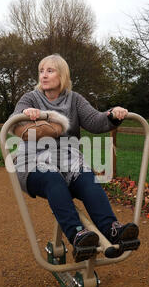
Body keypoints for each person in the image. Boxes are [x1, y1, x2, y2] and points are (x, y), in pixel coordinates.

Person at [10, 54, 139, 262]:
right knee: (52, 178)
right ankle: (78, 235)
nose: (44, 75)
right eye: (41, 71)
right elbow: (14, 122)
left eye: (50, 71)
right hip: (34, 162)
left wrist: (113, 114)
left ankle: (112, 229)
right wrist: (26, 113)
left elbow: (96, 121)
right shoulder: (30, 98)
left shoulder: (74, 99)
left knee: (88, 179)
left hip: (68, 161)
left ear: (62, 75)